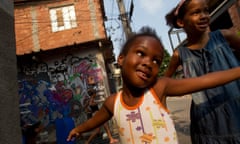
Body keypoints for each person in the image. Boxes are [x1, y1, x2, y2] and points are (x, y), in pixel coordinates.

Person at [67, 26, 240, 144]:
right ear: (121, 59)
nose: (148, 63)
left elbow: (205, 81)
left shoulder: (159, 88)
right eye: (141, 53)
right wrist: (78, 129)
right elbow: (95, 121)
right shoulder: (113, 103)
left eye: (156, 60)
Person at [164, 0, 240, 143]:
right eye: (196, 12)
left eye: (206, 11)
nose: (204, 15)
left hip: (236, 112)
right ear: (181, 22)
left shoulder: (224, 36)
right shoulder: (179, 55)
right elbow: (163, 86)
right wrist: (162, 115)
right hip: (207, 124)